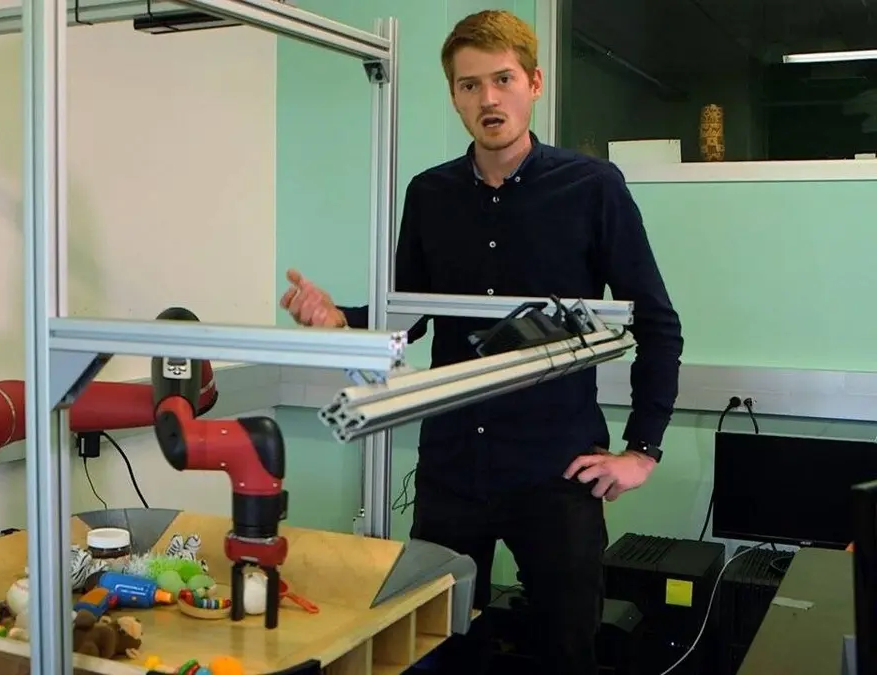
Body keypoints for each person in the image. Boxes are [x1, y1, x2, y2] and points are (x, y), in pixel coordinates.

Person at [280, 10, 683, 675]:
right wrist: (339, 319)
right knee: (433, 648)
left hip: (556, 472)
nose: (488, 99)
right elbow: (408, 318)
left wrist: (643, 449)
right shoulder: (430, 193)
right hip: (452, 469)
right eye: (470, 85)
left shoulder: (591, 188)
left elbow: (657, 322)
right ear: (454, 96)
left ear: (534, 83)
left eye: (503, 80)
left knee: (566, 652)